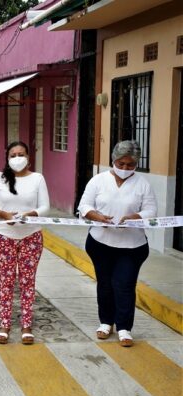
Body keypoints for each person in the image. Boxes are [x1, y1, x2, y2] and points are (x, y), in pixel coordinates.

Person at [78, 140, 156, 347]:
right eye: (120, 164)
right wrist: (96, 216)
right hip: (100, 242)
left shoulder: (143, 184)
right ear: (113, 160)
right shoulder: (98, 181)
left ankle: (124, 327)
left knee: (124, 284)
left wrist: (135, 216)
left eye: (130, 165)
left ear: (136, 164)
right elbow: (84, 205)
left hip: (132, 246)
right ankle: (105, 322)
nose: (124, 169)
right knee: (105, 284)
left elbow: (151, 211)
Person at [0, 141, 50, 345]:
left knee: (27, 281)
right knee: (6, 281)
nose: (17, 158)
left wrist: (30, 214)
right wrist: (3, 214)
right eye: (13, 155)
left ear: (29, 157)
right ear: (7, 158)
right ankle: (4, 323)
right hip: (4, 236)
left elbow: (45, 207)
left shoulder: (37, 178)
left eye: (21, 154)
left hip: (31, 236)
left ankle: (26, 324)